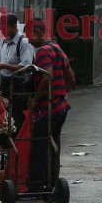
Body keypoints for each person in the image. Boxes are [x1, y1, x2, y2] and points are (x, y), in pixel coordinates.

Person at [25, 19, 75, 192]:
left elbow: (47, 76)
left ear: (38, 33)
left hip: (48, 108)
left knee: (39, 145)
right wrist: (62, 93)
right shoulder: (58, 49)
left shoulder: (44, 52)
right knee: (54, 145)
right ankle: (52, 182)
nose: (28, 40)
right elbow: (71, 78)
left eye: (30, 36)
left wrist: (35, 100)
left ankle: (37, 185)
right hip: (61, 107)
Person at [0, 13, 34, 129]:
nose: (2, 31)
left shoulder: (23, 42)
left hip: (19, 85)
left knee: (17, 116)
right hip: (4, 84)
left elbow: (26, 66)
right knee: (3, 115)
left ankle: (17, 143)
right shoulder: (5, 42)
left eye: (4, 28)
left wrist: (4, 66)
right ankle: (6, 143)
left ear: (14, 26)